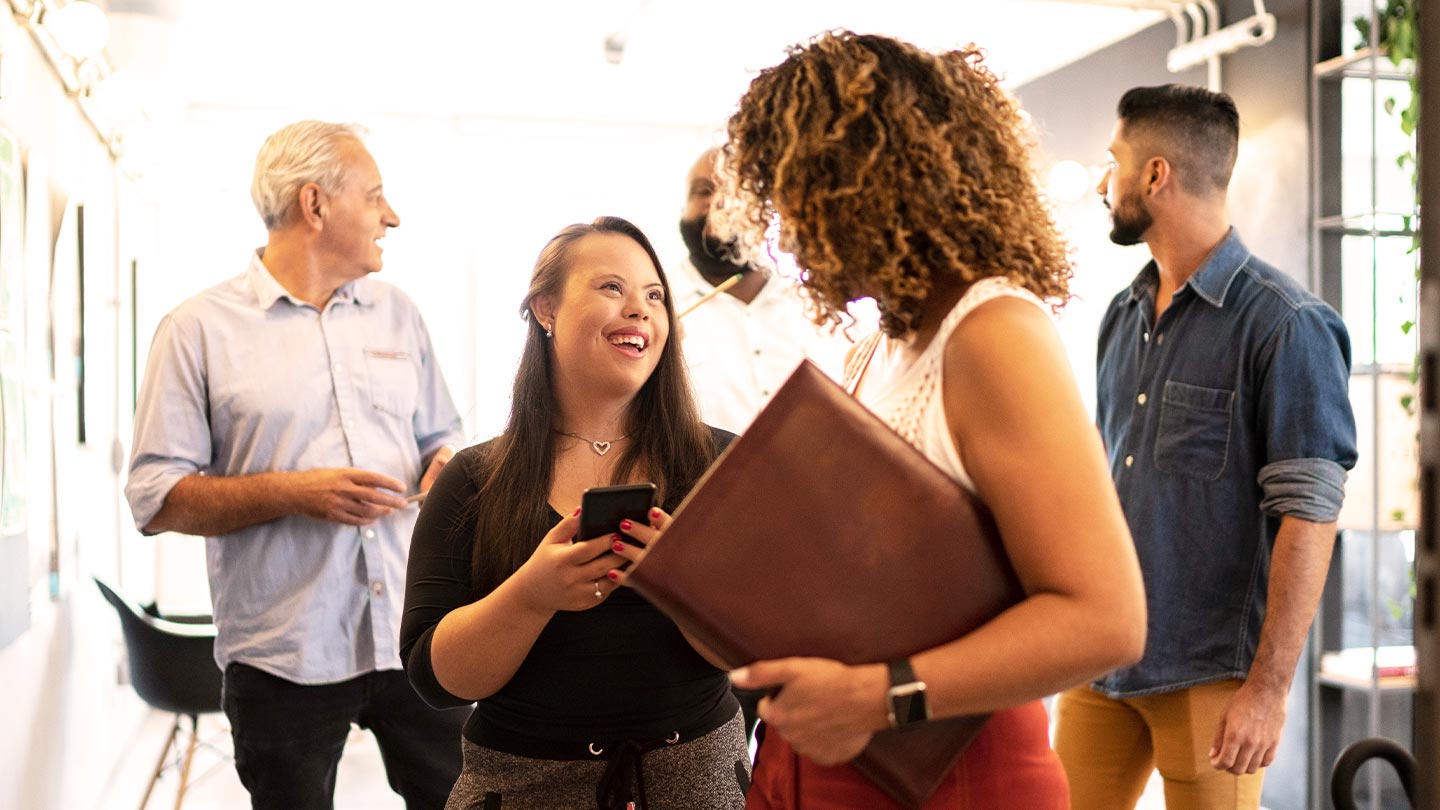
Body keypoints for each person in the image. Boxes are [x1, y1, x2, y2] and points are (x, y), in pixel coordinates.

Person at [611, 32, 1148, 809]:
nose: (786, 232)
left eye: (797, 198)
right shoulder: (875, 347)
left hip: (948, 770)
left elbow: (1105, 620)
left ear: (867, 186)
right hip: (814, 760)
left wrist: (878, 696)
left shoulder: (993, 333)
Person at [125, 121, 468, 810]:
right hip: (282, 656)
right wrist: (292, 492)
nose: (391, 217)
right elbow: (154, 497)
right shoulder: (196, 330)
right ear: (314, 206)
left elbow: (442, 435)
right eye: (375, 197)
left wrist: (443, 470)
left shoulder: (400, 314)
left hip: (412, 634)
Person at [1052, 85, 1359, 810]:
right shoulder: (1121, 315)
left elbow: (1309, 516)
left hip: (1212, 675)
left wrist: (1268, 691)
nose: (1104, 181)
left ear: (1156, 175)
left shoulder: (1287, 326)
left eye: (1114, 161)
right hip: (1103, 659)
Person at [400, 216, 748, 810]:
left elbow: (757, 649)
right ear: (546, 310)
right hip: (522, 786)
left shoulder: (721, 463)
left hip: (696, 782)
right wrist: (532, 594)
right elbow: (436, 678)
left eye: (655, 295)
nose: (640, 310)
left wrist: (680, 585)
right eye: (612, 288)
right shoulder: (472, 480)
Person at [674, 147, 851, 435]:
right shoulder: (658, 312)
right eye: (704, 190)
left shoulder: (821, 305)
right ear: (683, 208)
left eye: (737, 189)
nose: (719, 202)